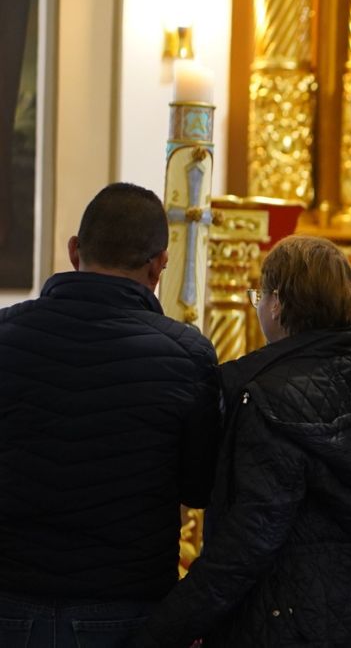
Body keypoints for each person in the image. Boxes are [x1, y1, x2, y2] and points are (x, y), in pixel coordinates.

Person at [134, 236, 351, 646]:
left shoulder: (267, 397)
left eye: (260, 294)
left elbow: (248, 540)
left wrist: (165, 628)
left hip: (282, 618)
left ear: (277, 304)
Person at [0, 183, 219, 646]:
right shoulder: (186, 355)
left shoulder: (6, 335)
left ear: (74, 250)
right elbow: (200, 486)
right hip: (126, 610)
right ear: (158, 265)